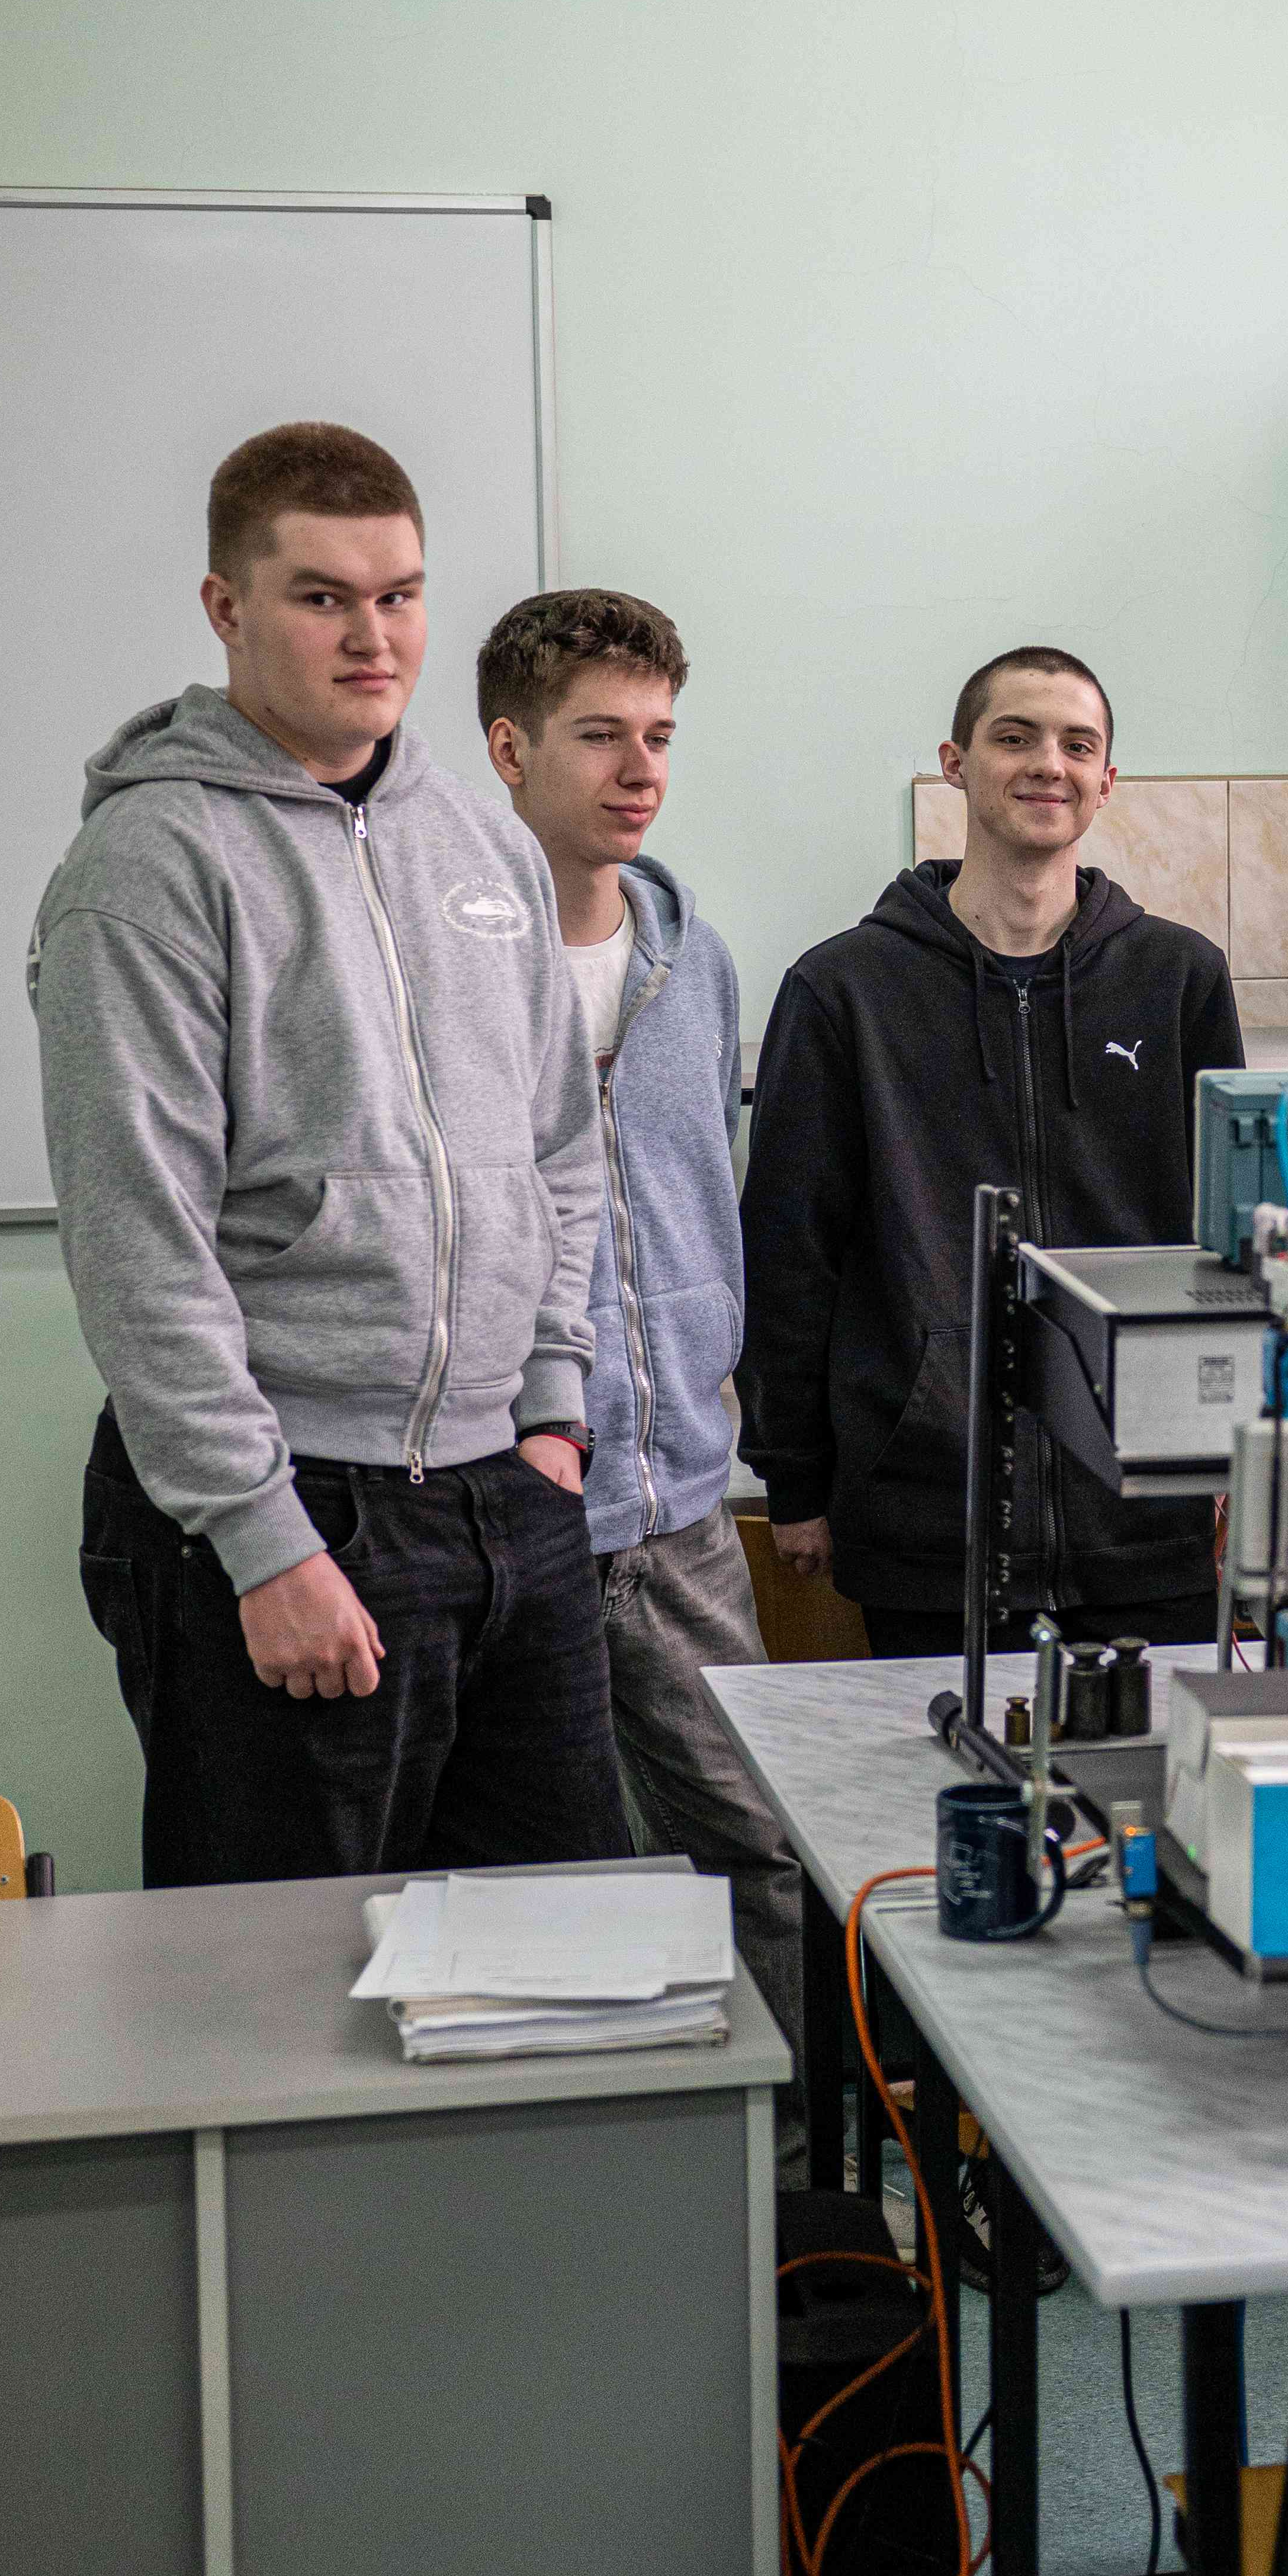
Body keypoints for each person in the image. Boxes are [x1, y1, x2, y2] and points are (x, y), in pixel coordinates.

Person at [31, 421, 631, 1887]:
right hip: (295, 1503)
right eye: (322, 598)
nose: (374, 638)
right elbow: (139, 1238)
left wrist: (552, 1413)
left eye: (400, 595)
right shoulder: (150, 867)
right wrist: (264, 1540)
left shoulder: (483, 847)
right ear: (226, 608)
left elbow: (560, 1147)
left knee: (563, 1954)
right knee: (278, 1982)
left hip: (507, 1489)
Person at [739, 644, 1244, 1666]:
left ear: (1107, 780)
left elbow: (1232, 1242)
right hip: (927, 1523)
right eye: (1014, 737)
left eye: (1076, 745)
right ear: (955, 763)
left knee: (1157, 1772)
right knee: (943, 1772)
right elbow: (790, 1251)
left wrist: (1242, 1451)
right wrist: (793, 1478)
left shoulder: (1179, 979)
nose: (1047, 763)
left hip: (1151, 1518)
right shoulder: (843, 992)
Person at [478, 584, 805, 2151]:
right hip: (502, 1503)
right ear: (508, 749)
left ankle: (796, 2189)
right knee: (526, 1882)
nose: (640, 770)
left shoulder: (697, 962)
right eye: (601, 735)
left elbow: (699, 1201)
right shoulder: (447, 964)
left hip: (678, 1507)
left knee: (758, 1852)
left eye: (659, 737)